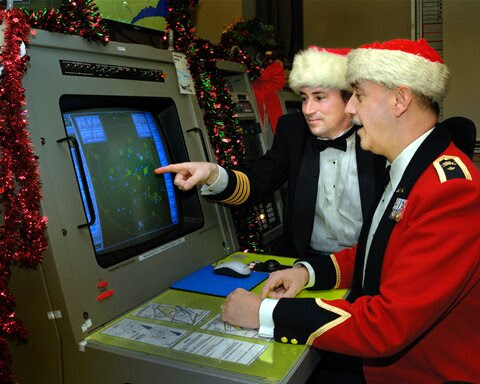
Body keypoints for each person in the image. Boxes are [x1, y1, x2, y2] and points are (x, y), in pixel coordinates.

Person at [220, 38, 480, 383]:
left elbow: (387, 326)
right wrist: (307, 273)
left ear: (399, 100)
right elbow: (380, 251)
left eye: (358, 95)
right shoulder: (413, 167)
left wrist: (265, 312)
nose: (351, 109)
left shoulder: (450, 191)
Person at [155, 47, 385, 258]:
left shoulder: (379, 135)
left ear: (350, 99)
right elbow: (257, 181)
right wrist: (212, 174)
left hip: (368, 262)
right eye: (304, 98)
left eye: (319, 98)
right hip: (306, 261)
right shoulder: (293, 131)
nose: (308, 109)